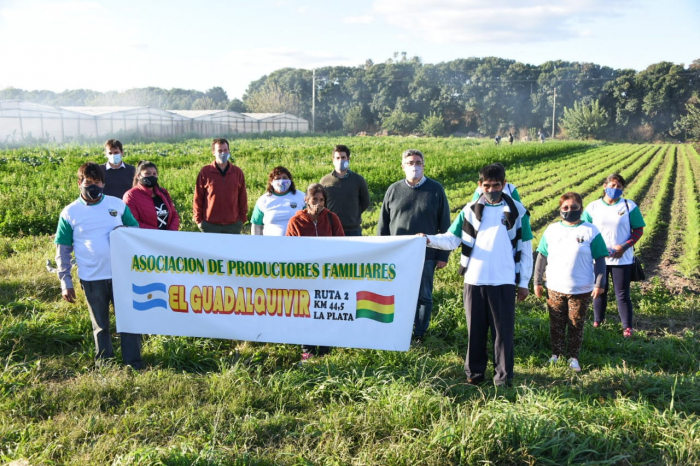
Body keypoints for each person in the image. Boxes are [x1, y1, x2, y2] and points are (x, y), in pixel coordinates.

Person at [419, 163, 532, 386]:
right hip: (474, 280)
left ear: (504, 184)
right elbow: (452, 239)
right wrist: (429, 239)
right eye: (487, 186)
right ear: (479, 186)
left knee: (503, 334)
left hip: (504, 280)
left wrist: (524, 282)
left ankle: (503, 378)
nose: (492, 190)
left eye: (497, 185)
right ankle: (474, 374)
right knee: (476, 332)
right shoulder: (469, 211)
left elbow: (526, 247)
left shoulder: (518, 211)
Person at [54, 162, 143, 369]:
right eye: (88, 182)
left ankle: (133, 361)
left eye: (97, 182)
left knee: (128, 320)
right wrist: (65, 281)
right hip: (92, 277)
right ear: (79, 183)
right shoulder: (70, 213)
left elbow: (135, 231)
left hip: (121, 275)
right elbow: (63, 249)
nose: (93, 186)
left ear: (103, 183)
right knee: (100, 324)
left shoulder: (117, 205)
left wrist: (125, 232)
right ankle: (105, 363)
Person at [378, 149, 451, 342]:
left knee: (424, 296)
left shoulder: (436, 190)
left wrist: (442, 255)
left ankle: (419, 334)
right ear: (402, 166)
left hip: (425, 254)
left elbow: (444, 224)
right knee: (396, 294)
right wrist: (382, 251)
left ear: (423, 165)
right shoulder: (393, 190)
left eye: (418, 162)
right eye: (410, 163)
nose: (414, 166)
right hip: (397, 255)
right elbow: (383, 225)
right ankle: (399, 330)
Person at [534, 192, 608, 372]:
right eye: (565, 208)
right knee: (556, 324)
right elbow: (541, 257)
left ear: (580, 209)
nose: (569, 211)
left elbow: (600, 259)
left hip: (581, 288)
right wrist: (537, 281)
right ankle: (556, 354)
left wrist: (600, 283)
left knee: (576, 324)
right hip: (555, 286)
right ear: (560, 209)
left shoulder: (590, 230)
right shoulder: (552, 230)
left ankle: (573, 357)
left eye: (573, 208)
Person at [582, 174, 646, 337]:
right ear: (605, 186)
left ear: (623, 189)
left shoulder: (628, 206)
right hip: (599, 258)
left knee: (622, 293)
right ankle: (598, 322)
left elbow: (638, 230)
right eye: (612, 185)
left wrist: (623, 247)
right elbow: (584, 229)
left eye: (619, 187)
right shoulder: (593, 207)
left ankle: (627, 327)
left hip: (621, 258)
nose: (615, 189)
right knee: (599, 290)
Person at [286, 183, 344, 361]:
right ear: (306, 200)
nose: (318, 203)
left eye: (321, 200)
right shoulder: (296, 221)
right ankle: (307, 349)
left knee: (326, 310)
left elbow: (342, 243)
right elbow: (288, 247)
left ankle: (325, 349)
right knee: (307, 311)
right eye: (314, 199)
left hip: (328, 274)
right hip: (305, 276)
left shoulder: (332, 218)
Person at [193, 138, 248, 234]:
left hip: (233, 225)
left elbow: (242, 198)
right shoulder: (205, 172)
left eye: (225, 150)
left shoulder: (237, 172)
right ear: (213, 152)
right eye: (220, 150)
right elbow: (198, 197)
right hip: (210, 225)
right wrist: (199, 220)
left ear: (229, 151)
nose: (223, 153)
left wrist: (242, 219)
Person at [319, 144, 371, 236]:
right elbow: (322, 203)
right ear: (333, 160)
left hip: (353, 230)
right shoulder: (324, 181)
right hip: (331, 228)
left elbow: (365, 202)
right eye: (337, 158)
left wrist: (353, 214)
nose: (340, 160)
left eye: (343, 157)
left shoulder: (358, 180)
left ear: (348, 159)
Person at [123, 160, 180, 230]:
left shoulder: (163, 192)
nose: (151, 176)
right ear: (138, 176)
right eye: (148, 173)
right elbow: (133, 222)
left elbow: (174, 215)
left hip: (168, 237)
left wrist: (171, 232)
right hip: (147, 238)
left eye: (154, 174)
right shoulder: (131, 195)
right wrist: (157, 233)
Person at [251, 166, 305, 236]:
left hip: (295, 242)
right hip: (270, 243)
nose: (282, 181)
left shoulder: (302, 197)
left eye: (285, 178)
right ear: (271, 182)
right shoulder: (263, 200)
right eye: (278, 178)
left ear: (290, 180)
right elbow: (256, 225)